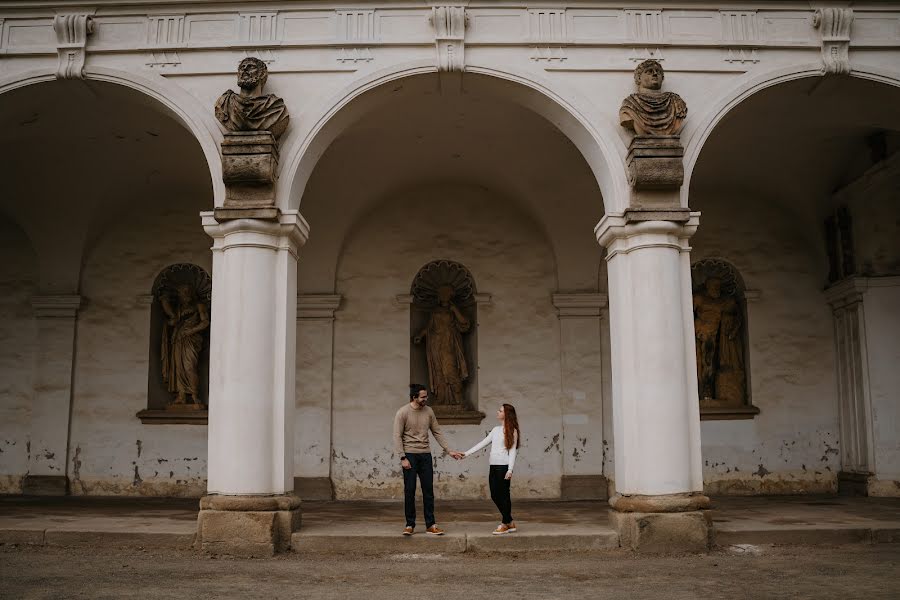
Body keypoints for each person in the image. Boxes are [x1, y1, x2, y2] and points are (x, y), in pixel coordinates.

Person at [393, 384, 464, 536]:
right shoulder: (403, 412)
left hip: (425, 455)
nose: (426, 399)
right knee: (410, 490)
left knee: (428, 491)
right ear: (414, 397)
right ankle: (409, 524)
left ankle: (430, 525)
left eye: (426, 396)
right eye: (423, 397)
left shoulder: (429, 411)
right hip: (409, 455)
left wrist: (448, 450)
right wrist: (402, 457)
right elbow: (397, 436)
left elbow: (437, 431)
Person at [459, 403, 521, 535]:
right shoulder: (495, 430)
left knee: (504, 495)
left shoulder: (512, 431)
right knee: (494, 495)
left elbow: (512, 452)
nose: (497, 412)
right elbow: (482, 443)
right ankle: (509, 521)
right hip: (493, 466)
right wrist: (466, 453)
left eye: (500, 411)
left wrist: (510, 470)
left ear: (506, 414)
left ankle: (505, 523)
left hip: (503, 467)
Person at [160, 284, 209, 406]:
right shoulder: (179, 308)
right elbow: (174, 321)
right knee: (178, 368)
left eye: (186, 291)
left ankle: (194, 395)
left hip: (191, 339)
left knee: (189, 366)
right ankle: (181, 395)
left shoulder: (199, 306)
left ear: (191, 293)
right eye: (181, 292)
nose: (184, 295)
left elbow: (205, 322)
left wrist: (191, 331)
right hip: (178, 339)